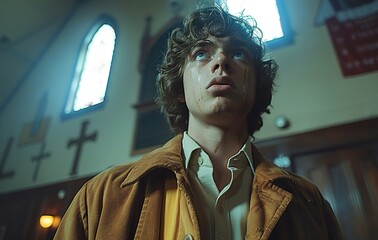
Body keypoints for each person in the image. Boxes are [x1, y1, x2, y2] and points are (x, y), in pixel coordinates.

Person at [54, 4, 343, 240]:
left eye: (238, 53)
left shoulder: (308, 203)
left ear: (256, 86)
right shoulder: (103, 196)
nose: (221, 62)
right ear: (179, 88)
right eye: (202, 53)